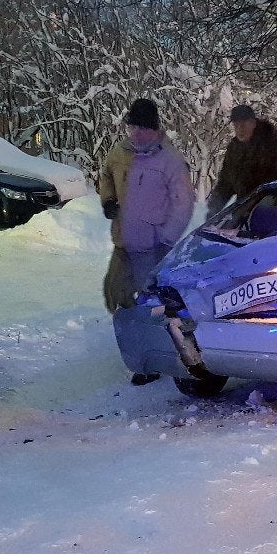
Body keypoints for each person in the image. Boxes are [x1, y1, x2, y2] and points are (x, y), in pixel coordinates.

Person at [115, 97, 195, 385]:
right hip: (131, 247)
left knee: (157, 308)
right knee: (133, 306)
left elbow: (184, 204)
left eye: (140, 127)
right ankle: (147, 360)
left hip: (156, 248)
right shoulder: (132, 158)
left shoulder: (170, 161)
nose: (134, 133)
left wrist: (165, 239)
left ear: (153, 129)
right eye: (131, 127)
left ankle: (172, 360)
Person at [205, 104, 277, 214]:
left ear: (253, 123)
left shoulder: (272, 145)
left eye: (243, 125)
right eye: (236, 126)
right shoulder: (234, 149)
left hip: (273, 213)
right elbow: (226, 183)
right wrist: (213, 210)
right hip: (244, 211)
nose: (239, 130)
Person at [97, 129, 136, 312]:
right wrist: (109, 200)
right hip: (124, 233)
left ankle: (149, 328)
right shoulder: (120, 152)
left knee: (151, 288)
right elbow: (107, 176)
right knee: (113, 288)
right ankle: (125, 321)